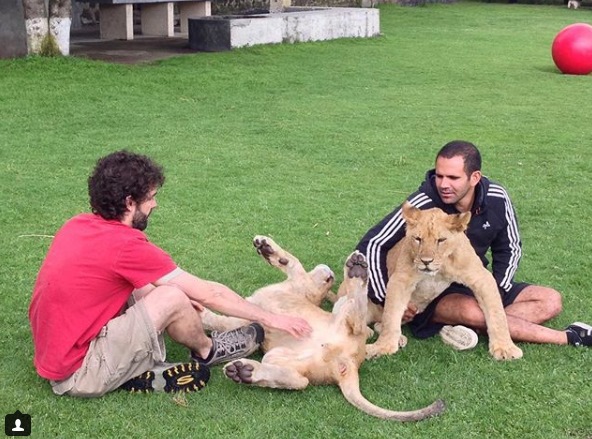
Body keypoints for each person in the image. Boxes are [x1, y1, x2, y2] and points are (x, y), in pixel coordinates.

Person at [29, 150, 312, 397]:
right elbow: (209, 292)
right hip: (79, 373)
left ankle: (135, 365)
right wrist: (272, 318)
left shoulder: (78, 224)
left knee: (151, 288)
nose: (155, 205)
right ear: (130, 203)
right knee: (172, 297)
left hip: (60, 356)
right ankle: (206, 349)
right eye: (150, 198)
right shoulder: (125, 246)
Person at [356, 140, 592, 350]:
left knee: (550, 300)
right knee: (474, 311)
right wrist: (384, 298)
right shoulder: (423, 202)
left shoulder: (497, 197)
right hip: (432, 291)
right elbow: (373, 243)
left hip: (469, 272)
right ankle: (568, 337)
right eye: (439, 176)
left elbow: (509, 248)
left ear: (475, 177)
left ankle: (471, 327)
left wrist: (496, 291)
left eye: (453, 178)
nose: (443, 184)